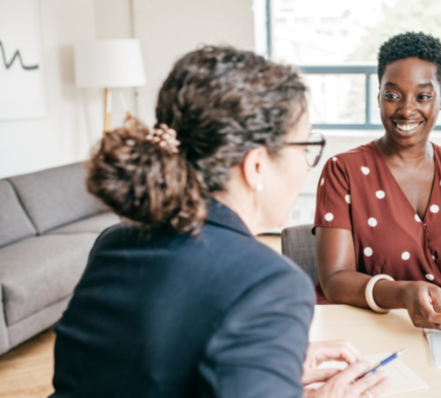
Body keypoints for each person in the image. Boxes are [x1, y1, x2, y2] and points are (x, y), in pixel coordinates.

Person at [51, 46, 389, 398]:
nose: (307, 166)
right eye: (304, 147)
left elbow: (139, 366)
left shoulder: (115, 240)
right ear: (256, 165)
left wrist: (262, 360)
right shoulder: (269, 285)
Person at [314, 32, 441, 330]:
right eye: (392, 95)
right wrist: (401, 293)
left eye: (423, 96)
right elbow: (334, 280)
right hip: (359, 327)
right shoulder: (343, 170)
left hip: (437, 326)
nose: (407, 109)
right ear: (379, 97)